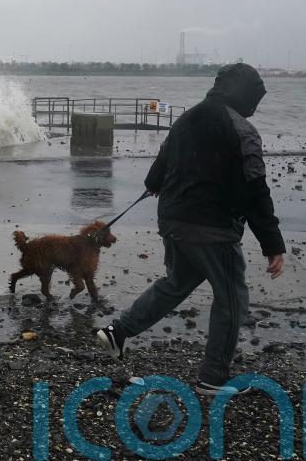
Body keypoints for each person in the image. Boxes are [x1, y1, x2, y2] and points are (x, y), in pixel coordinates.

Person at [96, 63, 285, 396]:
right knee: (233, 299)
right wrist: (272, 244)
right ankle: (213, 378)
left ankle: (118, 331)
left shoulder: (187, 118)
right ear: (246, 95)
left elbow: (162, 164)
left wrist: (155, 183)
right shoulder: (242, 129)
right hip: (211, 227)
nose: (256, 107)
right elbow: (256, 189)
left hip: (172, 218)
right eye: (256, 99)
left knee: (176, 282)